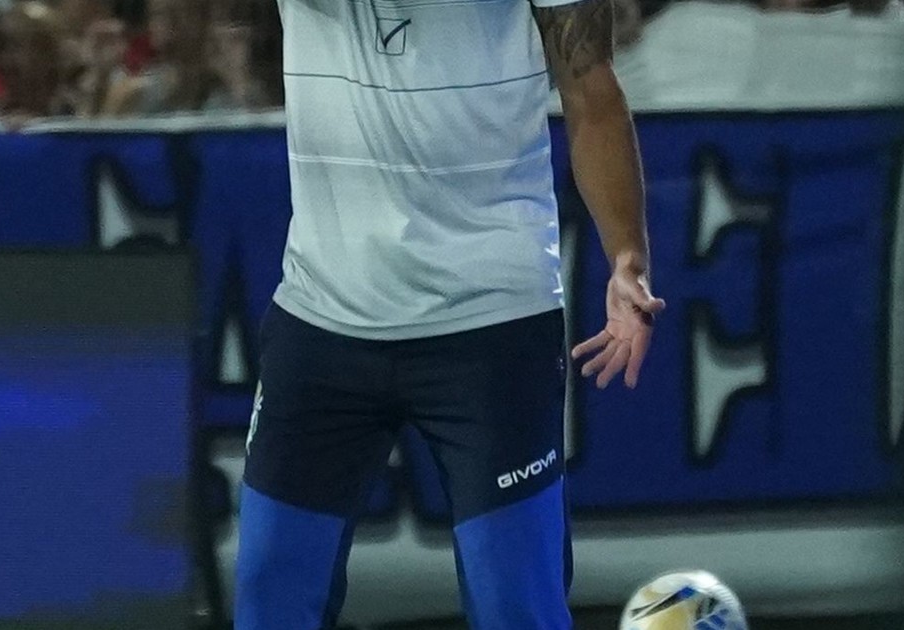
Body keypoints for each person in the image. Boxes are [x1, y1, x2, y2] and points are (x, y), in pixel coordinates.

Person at [234, 0, 665, 628]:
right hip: (321, 317)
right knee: (268, 596)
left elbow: (591, 92)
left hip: (492, 325)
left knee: (515, 608)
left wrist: (628, 257)